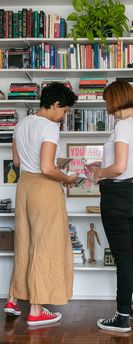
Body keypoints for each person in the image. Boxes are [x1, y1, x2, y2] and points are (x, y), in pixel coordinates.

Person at [4, 82, 78, 326]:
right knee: (45, 244)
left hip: (24, 187)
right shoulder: (49, 127)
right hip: (44, 190)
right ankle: (36, 310)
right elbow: (47, 168)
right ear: (56, 104)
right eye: (65, 110)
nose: (64, 116)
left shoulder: (22, 124)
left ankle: (13, 300)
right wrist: (67, 178)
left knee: (24, 243)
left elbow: (16, 160)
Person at [87, 80, 133, 332]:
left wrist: (100, 172)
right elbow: (124, 164)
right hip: (132, 194)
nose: (106, 104)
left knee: (123, 260)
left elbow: (119, 167)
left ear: (115, 99)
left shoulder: (122, 126)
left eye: (106, 100)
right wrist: (101, 166)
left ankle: (122, 317)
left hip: (117, 196)